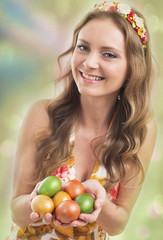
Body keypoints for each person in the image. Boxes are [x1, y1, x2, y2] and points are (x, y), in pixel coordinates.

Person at [7, 1, 157, 240]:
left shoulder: (139, 131)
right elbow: (17, 211)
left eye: (109, 54)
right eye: (83, 47)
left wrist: (100, 203)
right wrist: (37, 199)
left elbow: (118, 224)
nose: (89, 63)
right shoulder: (42, 115)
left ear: (132, 68)